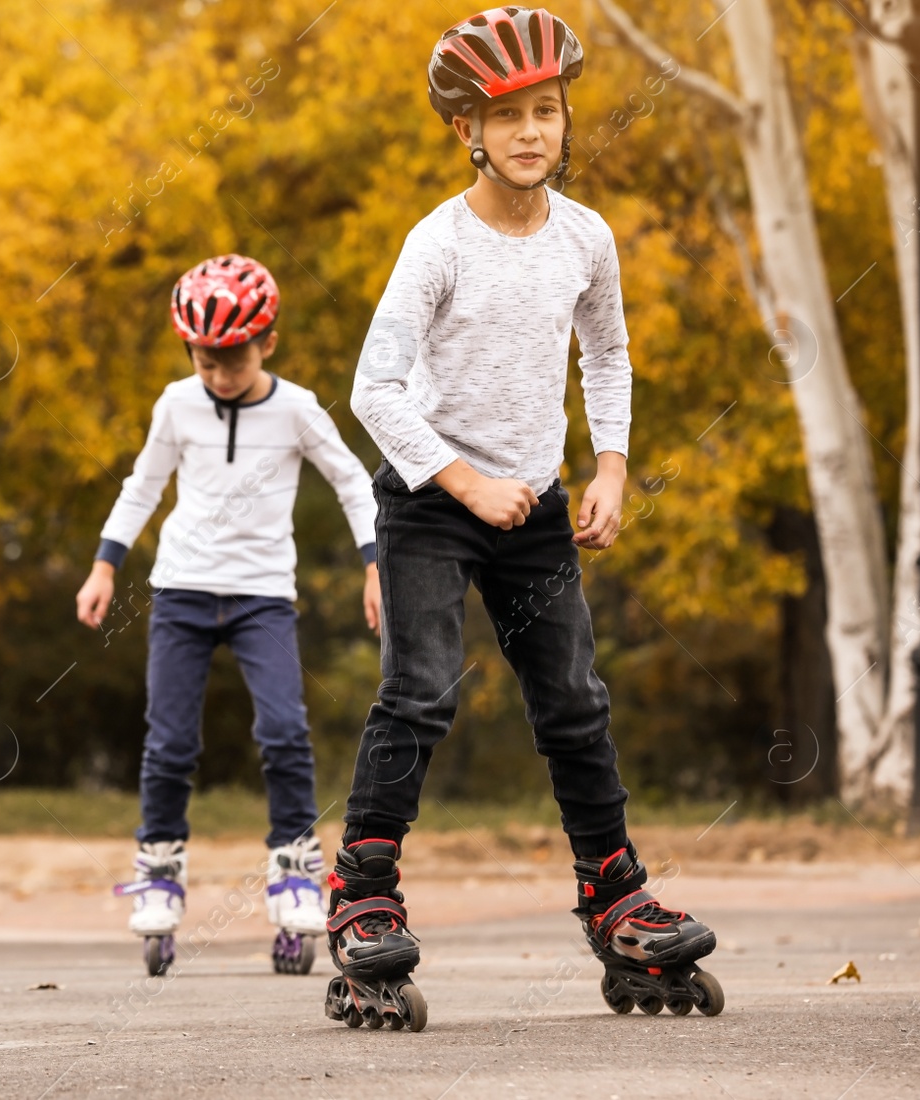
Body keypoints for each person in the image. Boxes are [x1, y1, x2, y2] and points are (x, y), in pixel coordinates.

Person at [321, 7, 721, 1031]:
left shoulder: (585, 237)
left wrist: (612, 467)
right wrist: (462, 482)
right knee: (416, 693)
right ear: (469, 128)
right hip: (426, 502)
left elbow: (608, 356)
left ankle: (615, 895)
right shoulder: (435, 244)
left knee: (575, 700)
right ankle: (363, 895)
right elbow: (374, 392)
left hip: (536, 504)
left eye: (546, 110)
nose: (532, 131)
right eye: (508, 116)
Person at [75, 254, 381, 976]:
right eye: (206, 359)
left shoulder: (299, 408)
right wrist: (104, 565)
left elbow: (352, 482)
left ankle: (297, 871)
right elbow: (141, 487)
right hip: (181, 591)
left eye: (233, 357)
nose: (219, 373)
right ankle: (158, 872)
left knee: (282, 730)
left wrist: (375, 562)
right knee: (171, 742)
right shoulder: (176, 405)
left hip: (262, 595)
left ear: (267, 342)